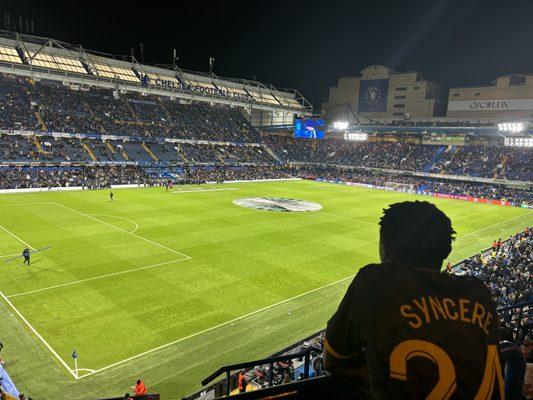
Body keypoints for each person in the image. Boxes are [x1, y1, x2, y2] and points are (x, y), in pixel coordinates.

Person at [324, 201, 504, 399]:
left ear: (386, 247)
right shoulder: (479, 293)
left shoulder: (375, 282)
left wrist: (382, 372)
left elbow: (333, 361)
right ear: (446, 250)